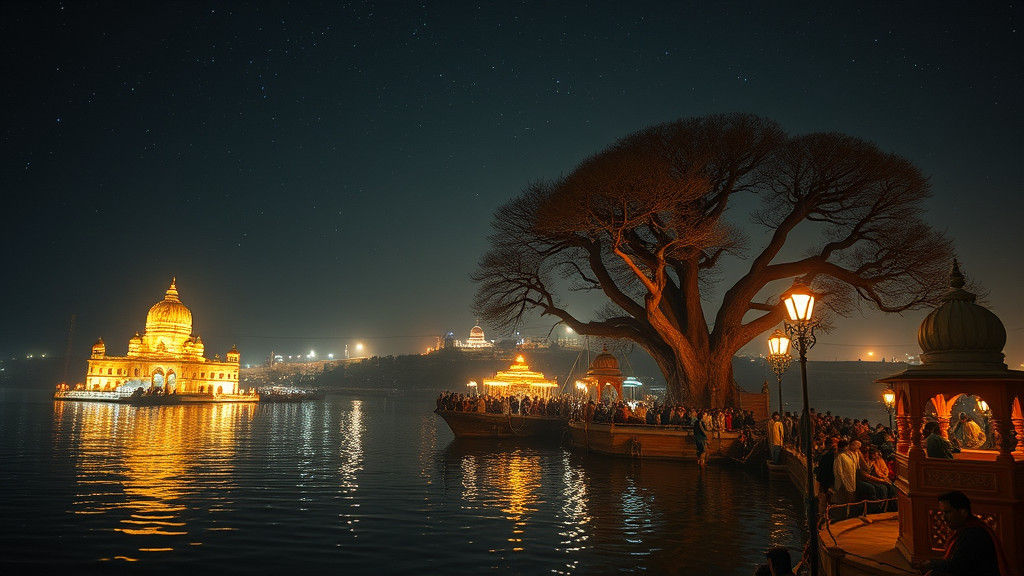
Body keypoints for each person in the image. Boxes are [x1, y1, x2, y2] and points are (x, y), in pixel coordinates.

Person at [920, 491, 1003, 576]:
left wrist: (931, 564)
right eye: (943, 513)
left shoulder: (974, 534)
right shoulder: (965, 529)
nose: (944, 518)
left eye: (947, 512)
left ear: (963, 512)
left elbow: (956, 566)